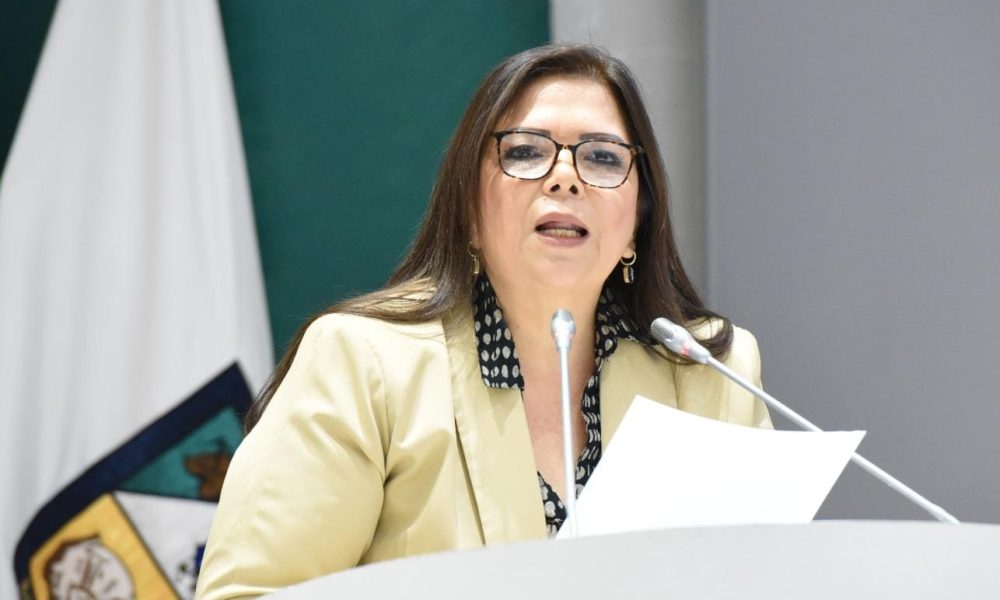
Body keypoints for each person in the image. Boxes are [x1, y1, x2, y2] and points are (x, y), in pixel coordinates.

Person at [194, 44, 772, 599]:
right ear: (469, 211)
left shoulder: (711, 376)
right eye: (525, 152)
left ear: (638, 223)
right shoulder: (364, 366)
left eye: (602, 157)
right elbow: (251, 593)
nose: (565, 177)